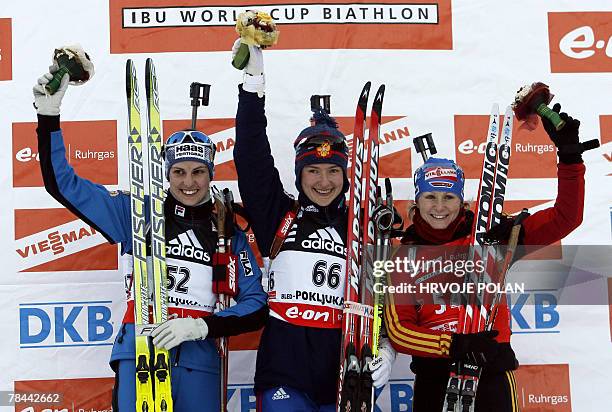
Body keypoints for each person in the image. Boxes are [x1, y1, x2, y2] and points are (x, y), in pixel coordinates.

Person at [33, 67, 268, 411]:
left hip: (198, 361)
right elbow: (64, 185)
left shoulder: (227, 230)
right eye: (179, 171)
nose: (189, 182)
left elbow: (257, 305)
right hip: (140, 353)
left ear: (211, 173)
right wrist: (48, 117)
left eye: (199, 172)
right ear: (166, 172)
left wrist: (200, 327)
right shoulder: (137, 212)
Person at [384, 105, 586, 411]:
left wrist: (570, 158)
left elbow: (565, 218)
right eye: (430, 197)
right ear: (417, 201)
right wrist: (454, 345)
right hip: (435, 378)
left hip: (491, 374)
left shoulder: (492, 236)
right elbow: (401, 333)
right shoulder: (402, 256)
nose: (439, 207)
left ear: (461, 202)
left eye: (448, 197)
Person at [232, 41, 396, 411]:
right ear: (299, 174)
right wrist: (253, 84)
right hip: (284, 375)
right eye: (313, 171)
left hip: (345, 377)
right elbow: (249, 155)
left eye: (333, 171)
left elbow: (379, 303)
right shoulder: (279, 214)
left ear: (345, 175)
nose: (324, 182)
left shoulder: (362, 227)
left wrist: (386, 350)